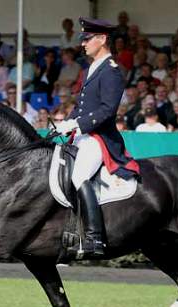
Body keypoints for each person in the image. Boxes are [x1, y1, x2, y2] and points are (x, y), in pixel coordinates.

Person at [54, 17, 140, 258]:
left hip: (99, 138)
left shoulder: (112, 70)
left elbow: (107, 110)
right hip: (84, 135)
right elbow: (83, 106)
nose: (83, 44)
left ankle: (94, 238)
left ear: (102, 39)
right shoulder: (90, 68)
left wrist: (77, 124)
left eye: (87, 39)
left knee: (79, 174)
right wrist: (67, 122)